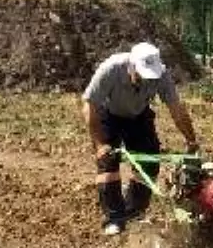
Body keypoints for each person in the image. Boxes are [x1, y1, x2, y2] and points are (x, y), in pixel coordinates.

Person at [81, 41, 200, 236]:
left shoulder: (162, 75)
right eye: (142, 75)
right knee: (108, 163)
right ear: (131, 66)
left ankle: (134, 213)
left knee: (149, 163)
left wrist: (191, 140)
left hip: (138, 115)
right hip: (108, 115)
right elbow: (89, 105)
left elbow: (176, 109)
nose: (146, 80)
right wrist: (100, 144)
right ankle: (114, 219)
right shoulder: (111, 68)